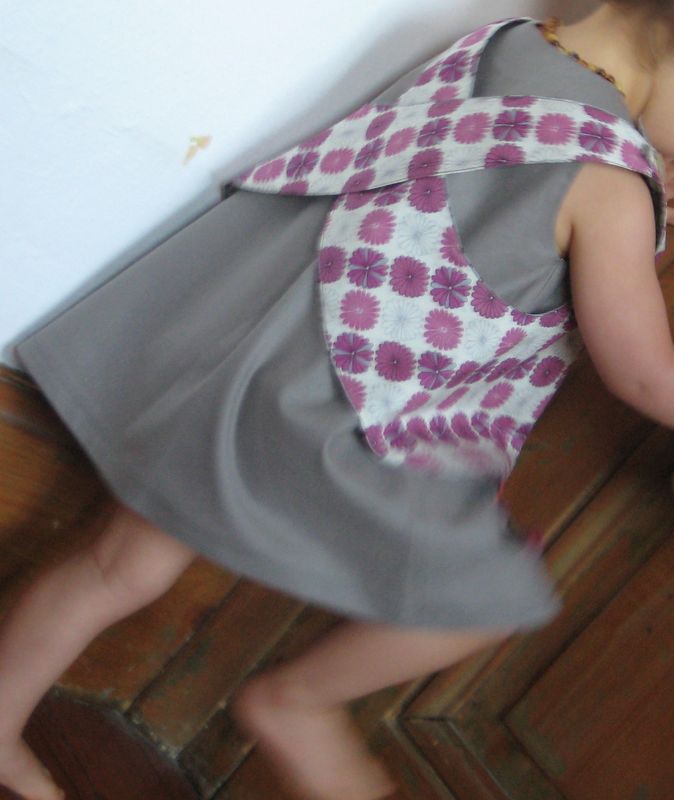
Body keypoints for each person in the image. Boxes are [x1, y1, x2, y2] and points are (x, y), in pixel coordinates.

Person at [3, 2, 674, 799]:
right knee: (483, 598)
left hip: (246, 366)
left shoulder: (502, 45)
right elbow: (642, 372)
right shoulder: (609, 183)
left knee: (117, 565)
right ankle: (301, 703)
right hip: (339, 423)